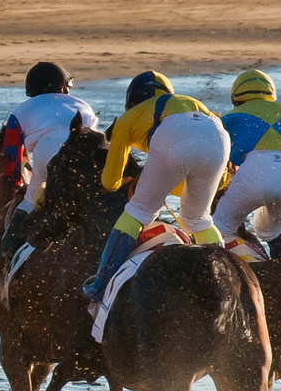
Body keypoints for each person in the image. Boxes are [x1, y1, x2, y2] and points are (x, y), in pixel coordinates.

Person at [84, 71, 228, 302]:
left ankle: (101, 284)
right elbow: (198, 184)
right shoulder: (190, 103)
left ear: (131, 101)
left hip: (174, 133)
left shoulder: (129, 118)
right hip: (218, 134)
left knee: (138, 211)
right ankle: (226, 280)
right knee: (198, 219)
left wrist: (128, 182)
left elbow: (110, 182)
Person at [0, 62, 100, 277]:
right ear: (63, 87)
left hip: (49, 152)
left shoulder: (19, 113)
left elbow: (12, 161)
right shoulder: (82, 103)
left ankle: (1, 261)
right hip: (87, 154)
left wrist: (17, 188)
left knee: (29, 203)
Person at [215, 69, 281, 261]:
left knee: (219, 227)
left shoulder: (229, 118)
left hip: (256, 176)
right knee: (270, 229)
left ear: (236, 97)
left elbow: (223, 163)